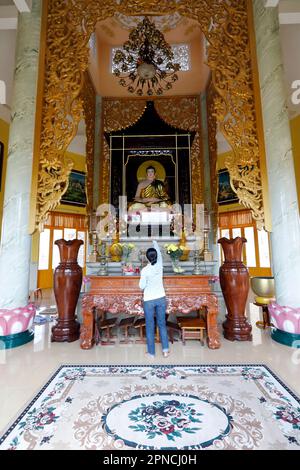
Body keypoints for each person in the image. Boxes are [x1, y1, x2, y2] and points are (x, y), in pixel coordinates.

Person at [139, 239, 170, 359]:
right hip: (161, 298)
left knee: (150, 325)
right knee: (162, 324)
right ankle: (166, 350)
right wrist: (155, 242)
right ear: (156, 256)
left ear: (147, 258)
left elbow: (141, 286)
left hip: (149, 301)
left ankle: (151, 353)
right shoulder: (160, 265)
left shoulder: (145, 270)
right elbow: (159, 254)